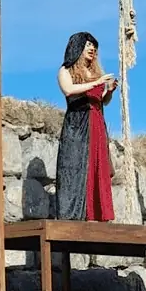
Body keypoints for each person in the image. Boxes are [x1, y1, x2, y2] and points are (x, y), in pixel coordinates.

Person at [55, 31, 118, 222]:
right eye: (88, 45)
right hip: (78, 123)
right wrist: (97, 82)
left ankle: (96, 215)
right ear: (77, 47)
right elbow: (68, 90)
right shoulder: (66, 70)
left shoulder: (94, 71)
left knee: (97, 165)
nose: (92, 49)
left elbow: (101, 101)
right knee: (76, 166)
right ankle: (74, 215)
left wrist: (108, 91)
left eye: (93, 46)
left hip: (96, 122)